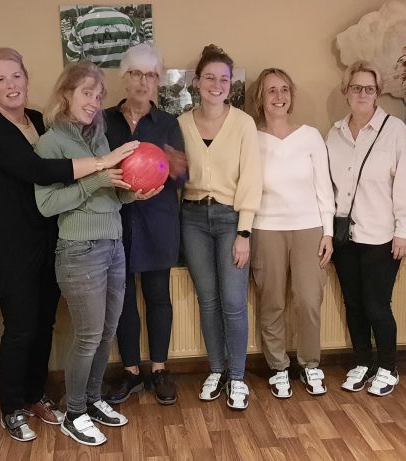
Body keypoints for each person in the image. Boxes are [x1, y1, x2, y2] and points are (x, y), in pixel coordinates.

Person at [0, 47, 137, 443]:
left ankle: (35, 394)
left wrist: (129, 186)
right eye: (0, 79)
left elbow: (79, 172)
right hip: (10, 244)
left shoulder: (36, 122)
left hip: (47, 238)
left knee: (44, 323)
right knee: (21, 328)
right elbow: (41, 172)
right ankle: (12, 406)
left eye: (16, 76)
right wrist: (103, 166)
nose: (11, 84)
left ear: (27, 78)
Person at [34, 61, 161, 446]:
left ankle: (91, 399)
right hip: (79, 250)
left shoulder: (100, 138)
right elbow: (47, 204)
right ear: (66, 94)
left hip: (113, 245)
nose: (94, 101)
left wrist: (135, 193)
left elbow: (113, 196)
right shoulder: (50, 143)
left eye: (98, 94)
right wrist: (97, 180)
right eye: (86, 92)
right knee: (88, 335)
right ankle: (74, 413)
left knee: (106, 332)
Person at [326, 60, 406, 397]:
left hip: (382, 237)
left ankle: (388, 366)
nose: (362, 94)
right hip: (345, 237)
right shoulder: (334, 134)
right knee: (353, 305)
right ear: (346, 92)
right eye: (356, 88)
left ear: (378, 93)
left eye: (369, 88)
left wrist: (404, 231)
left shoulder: (394, 132)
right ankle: (363, 362)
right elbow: (328, 187)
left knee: (377, 306)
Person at [178, 44, 262, 411]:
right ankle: (216, 369)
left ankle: (238, 377)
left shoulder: (243, 124)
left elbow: (252, 179)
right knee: (208, 300)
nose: (216, 85)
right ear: (197, 81)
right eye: (209, 78)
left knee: (233, 301)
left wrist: (244, 232)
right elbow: (174, 175)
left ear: (231, 84)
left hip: (231, 219)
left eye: (223, 79)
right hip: (192, 219)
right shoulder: (181, 124)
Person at [102, 44, 187, 406]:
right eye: (136, 73)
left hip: (158, 221)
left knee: (157, 296)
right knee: (121, 299)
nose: (142, 81)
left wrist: (175, 168)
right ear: (125, 78)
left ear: (157, 82)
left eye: (150, 75)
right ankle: (131, 371)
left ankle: (159, 370)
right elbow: (95, 167)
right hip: (115, 220)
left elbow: (181, 177)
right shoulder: (103, 121)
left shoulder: (168, 123)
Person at [247, 68, 334, 398]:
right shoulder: (251, 139)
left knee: (309, 300)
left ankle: (310, 364)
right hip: (266, 228)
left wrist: (328, 232)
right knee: (271, 302)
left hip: (309, 228)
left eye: (284, 89)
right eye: (271, 90)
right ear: (261, 98)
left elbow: (324, 187)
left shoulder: (310, 136)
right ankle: (278, 367)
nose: (279, 96)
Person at [64, 6, 144, 68]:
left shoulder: (81, 22)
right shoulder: (127, 20)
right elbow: (136, 52)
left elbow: (72, 56)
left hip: (94, 76)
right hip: (121, 74)